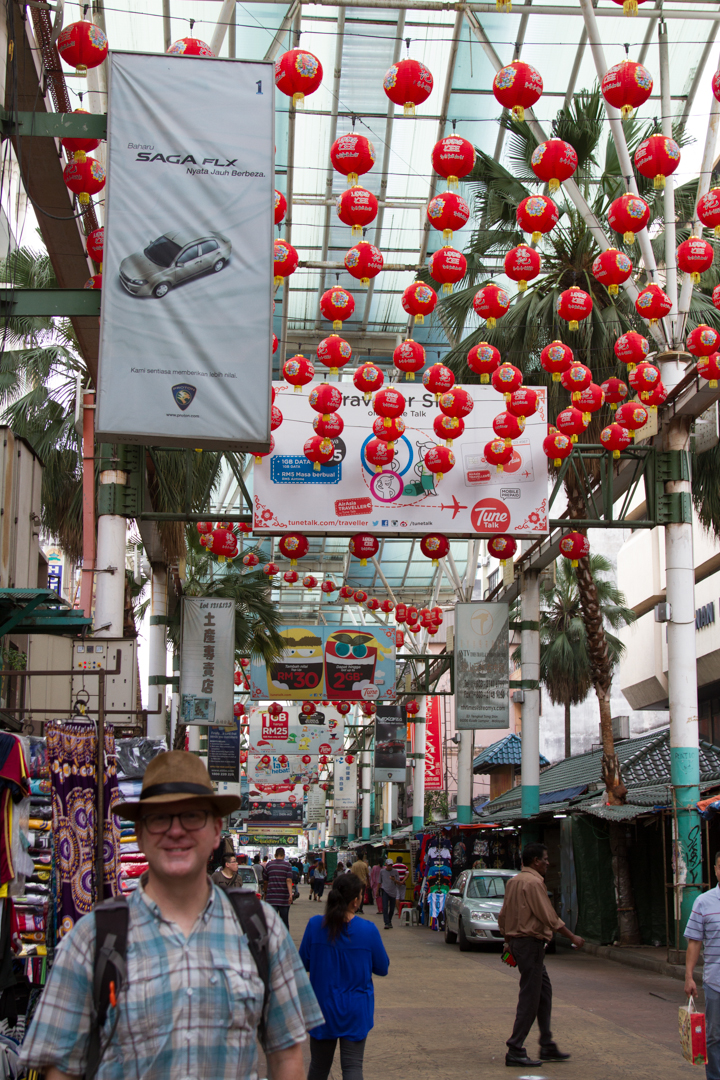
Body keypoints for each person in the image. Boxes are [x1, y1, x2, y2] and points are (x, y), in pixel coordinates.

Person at [18, 750, 323, 1080]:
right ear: (141, 832)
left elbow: (287, 1058)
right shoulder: (91, 939)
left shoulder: (261, 929)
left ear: (217, 830)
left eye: (192, 816)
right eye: (159, 818)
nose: (176, 831)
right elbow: (59, 1071)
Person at [498, 842, 585, 1067]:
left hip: (519, 944)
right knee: (530, 996)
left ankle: (546, 1043)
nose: (548, 863)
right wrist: (572, 936)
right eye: (545, 859)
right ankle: (516, 1047)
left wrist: (508, 943)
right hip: (530, 945)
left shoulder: (514, 881)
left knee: (543, 992)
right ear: (535, 861)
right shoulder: (534, 882)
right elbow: (550, 917)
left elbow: (504, 916)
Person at [299, 872, 389, 1080]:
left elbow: (303, 962)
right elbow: (382, 968)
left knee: (319, 1068)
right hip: (356, 1010)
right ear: (356, 900)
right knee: (352, 1068)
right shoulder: (368, 930)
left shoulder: (315, 925)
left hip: (322, 1009)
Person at [685, 849, 720, 1080]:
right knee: (714, 1036)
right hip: (715, 983)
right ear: (716, 869)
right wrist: (689, 976)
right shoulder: (703, 902)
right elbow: (694, 942)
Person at [263, 847, 294, 928]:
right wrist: (290, 895)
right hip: (284, 899)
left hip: (271, 898)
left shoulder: (269, 865)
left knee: (271, 922)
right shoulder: (287, 865)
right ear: (284, 856)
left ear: (275, 855)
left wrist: (265, 893)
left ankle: (272, 939)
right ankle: (285, 940)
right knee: (284, 922)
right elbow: (289, 880)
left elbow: (265, 881)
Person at [379, 858, 401, 929]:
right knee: (385, 907)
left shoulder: (395, 872)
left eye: (391, 865)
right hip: (385, 890)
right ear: (386, 864)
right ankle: (386, 922)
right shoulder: (382, 871)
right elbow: (379, 882)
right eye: (388, 865)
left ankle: (389, 920)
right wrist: (377, 891)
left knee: (392, 908)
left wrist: (394, 880)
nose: (390, 867)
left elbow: (399, 882)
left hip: (393, 892)